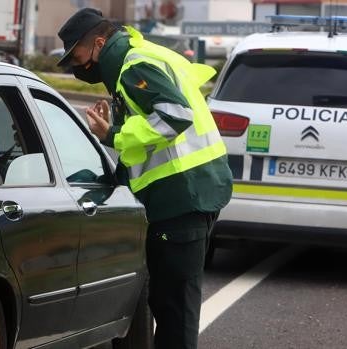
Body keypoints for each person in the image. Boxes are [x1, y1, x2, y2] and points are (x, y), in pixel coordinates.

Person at [57, 8, 233, 349]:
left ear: (98, 42)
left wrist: (117, 135)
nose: (75, 67)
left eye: (76, 56)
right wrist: (114, 134)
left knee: (174, 311)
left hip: (182, 195)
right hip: (187, 192)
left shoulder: (133, 65)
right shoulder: (144, 56)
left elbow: (175, 115)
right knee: (170, 306)